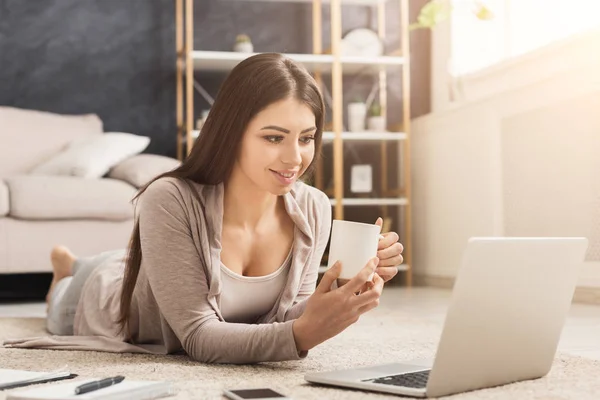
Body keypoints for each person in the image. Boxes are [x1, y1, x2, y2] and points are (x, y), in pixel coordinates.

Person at [7, 53, 404, 364]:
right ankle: (65, 269)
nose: (294, 158)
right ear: (231, 132)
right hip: (108, 297)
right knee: (70, 295)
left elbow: (285, 315)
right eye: (273, 137)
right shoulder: (168, 197)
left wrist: (342, 289)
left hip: (156, 266)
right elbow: (197, 336)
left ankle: (79, 261)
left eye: (306, 138)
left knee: (125, 261)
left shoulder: (314, 208)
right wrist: (301, 336)